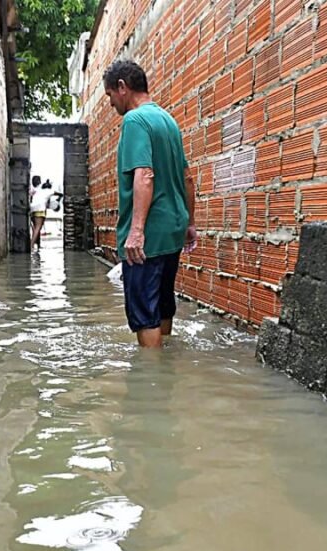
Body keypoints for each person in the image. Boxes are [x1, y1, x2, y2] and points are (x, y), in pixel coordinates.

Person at [103, 59, 197, 348]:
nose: (111, 103)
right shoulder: (168, 120)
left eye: (110, 95)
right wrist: (190, 223)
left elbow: (144, 174)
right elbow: (188, 178)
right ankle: (164, 362)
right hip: (173, 231)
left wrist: (136, 232)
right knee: (163, 305)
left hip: (148, 238)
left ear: (122, 87)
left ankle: (151, 373)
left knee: (144, 315)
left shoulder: (135, 120)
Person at [29, 179, 56, 251]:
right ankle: (31, 245)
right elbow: (57, 193)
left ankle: (38, 244)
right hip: (40, 210)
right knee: (37, 228)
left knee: (36, 228)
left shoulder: (37, 191)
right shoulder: (48, 191)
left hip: (32, 210)